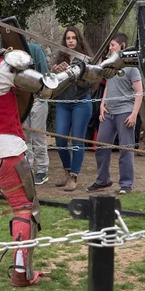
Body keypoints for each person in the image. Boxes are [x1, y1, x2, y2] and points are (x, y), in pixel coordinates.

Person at [0, 6, 116, 285]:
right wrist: (77, 70)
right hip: (5, 151)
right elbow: (47, 86)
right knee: (25, 207)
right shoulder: (3, 66)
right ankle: (22, 273)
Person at [86, 33, 143, 194]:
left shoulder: (132, 67)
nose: (110, 48)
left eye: (113, 45)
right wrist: (103, 105)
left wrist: (133, 115)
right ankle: (103, 180)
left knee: (126, 150)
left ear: (122, 46)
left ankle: (126, 184)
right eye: (110, 45)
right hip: (108, 113)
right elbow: (108, 87)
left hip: (125, 112)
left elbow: (139, 92)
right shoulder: (109, 66)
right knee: (102, 147)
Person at [52, 26, 94, 192]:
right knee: (60, 139)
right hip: (63, 103)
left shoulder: (85, 59)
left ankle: (74, 176)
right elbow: (54, 83)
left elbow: (90, 82)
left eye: (73, 38)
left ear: (78, 40)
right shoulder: (60, 58)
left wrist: (73, 73)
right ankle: (67, 171)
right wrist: (56, 72)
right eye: (68, 38)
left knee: (77, 140)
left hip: (81, 103)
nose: (70, 41)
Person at [22, 42, 50, 185]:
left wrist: (40, 96)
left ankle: (42, 170)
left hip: (38, 99)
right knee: (24, 137)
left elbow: (45, 75)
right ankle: (27, 169)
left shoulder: (35, 49)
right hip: (22, 100)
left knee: (38, 136)